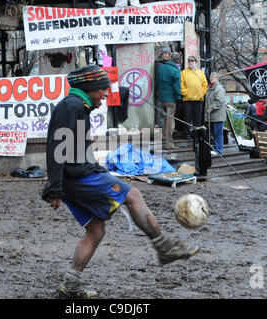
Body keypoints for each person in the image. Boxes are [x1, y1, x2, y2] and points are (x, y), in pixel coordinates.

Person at [41, 65, 199, 299]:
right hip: (76, 178)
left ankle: (70, 286)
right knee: (133, 194)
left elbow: (73, 149)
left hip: (75, 176)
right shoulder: (71, 106)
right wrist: (54, 187)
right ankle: (164, 247)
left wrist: (91, 168)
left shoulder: (78, 106)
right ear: (90, 88)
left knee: (95, 231)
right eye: (103, 89)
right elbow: (57, 148)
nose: (107, 93)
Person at [156, 52, 182, 149]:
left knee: (164, 118)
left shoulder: (161, 68)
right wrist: (179, 99)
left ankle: (163, 136)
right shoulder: (175, 71)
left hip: (161, 98)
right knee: (170, 121)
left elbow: (157, 82)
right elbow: (177, 87)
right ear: (177, 61)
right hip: (171, 99)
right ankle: (169, 143)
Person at [180, 55, 208, 139]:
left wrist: (202, 93)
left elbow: (205, 84)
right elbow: (181, 84)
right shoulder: (184, 72)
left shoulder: (200, 72)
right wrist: (185, 93)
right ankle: (187, 134)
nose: (190, 62)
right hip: (187, 99)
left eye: (192, 61)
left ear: (195, 62)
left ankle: (196, 134)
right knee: (187, 118)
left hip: (198, 99)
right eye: (189, 61)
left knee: (197, 119)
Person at [204, 72, 227, 155]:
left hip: (218, 115)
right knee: (215, 133)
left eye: (213, 77)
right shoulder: (210, 87)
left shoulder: (219, 88)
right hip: (213, 115)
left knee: (218, 133)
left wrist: (211, 108)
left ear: (217, 78)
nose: (211, 78)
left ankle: (219, 150)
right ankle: (216, 149)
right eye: (210, 77)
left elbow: (219, 100)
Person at [154, 48, 171, 128]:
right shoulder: (158, 63)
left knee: (168, 111)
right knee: (160, 111)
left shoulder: (169, 64)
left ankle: (167, 129)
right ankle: (160, 128)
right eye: (165, 53)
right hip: (160, 91)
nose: (166, 55)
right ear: (161, 54)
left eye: (168, 54)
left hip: (169, 92)